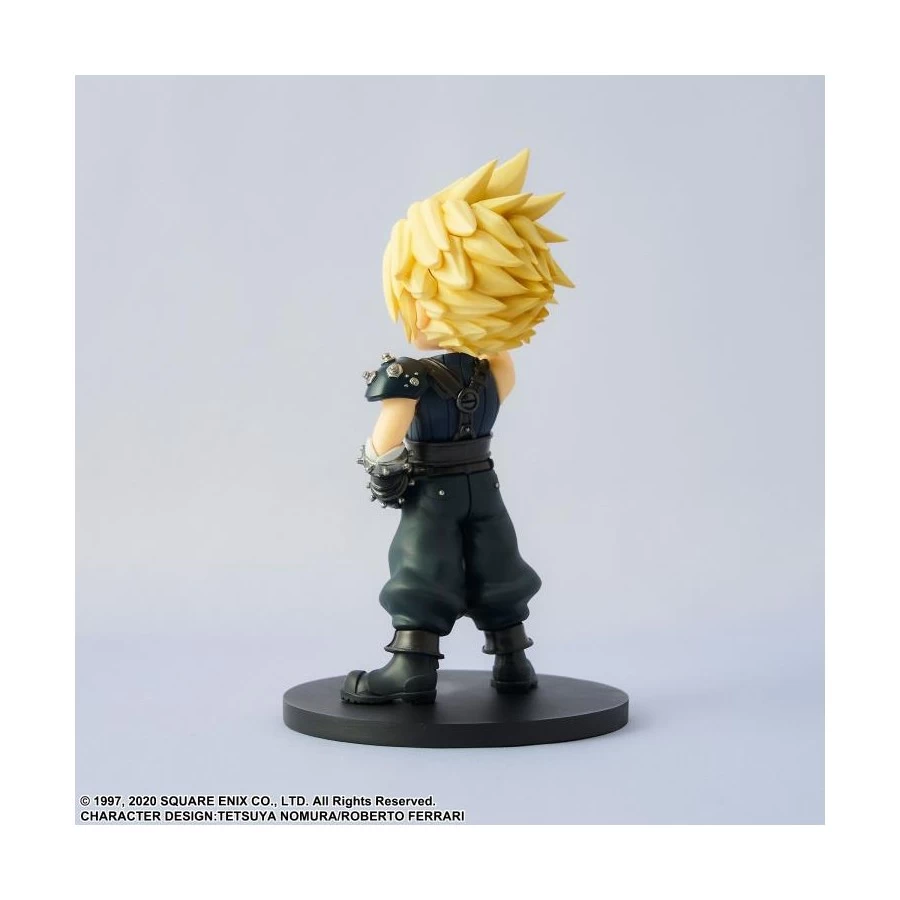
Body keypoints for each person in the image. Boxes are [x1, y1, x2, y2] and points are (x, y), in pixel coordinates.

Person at [341, 149, 573, 705]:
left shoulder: (409, 376)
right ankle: (513, 660)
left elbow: (386, 440)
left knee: (421, 567)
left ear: (427, 299)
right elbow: (497, 363)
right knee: (498, 563)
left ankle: (412, 666)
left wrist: (380, 470)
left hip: (433, 492)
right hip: (484, 486)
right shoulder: (496, 370)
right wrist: (492, 317)